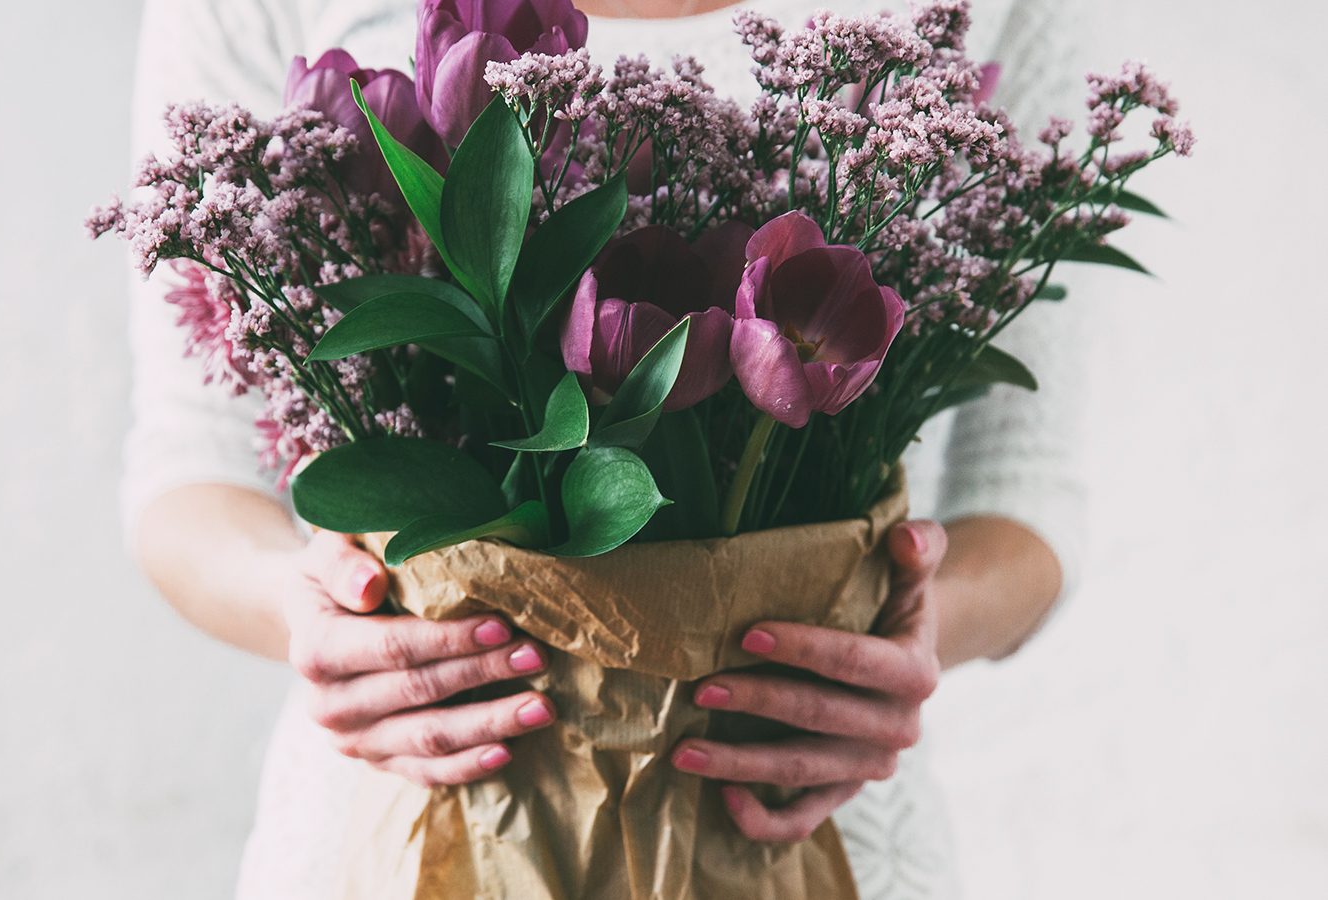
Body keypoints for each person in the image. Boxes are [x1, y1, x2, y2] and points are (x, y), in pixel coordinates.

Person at [123, 0, 1091, 894]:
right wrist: (317, 623)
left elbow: (1031, 490)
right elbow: (188, 465)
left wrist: (898, 649)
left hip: (801, 810)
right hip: (420, 810)